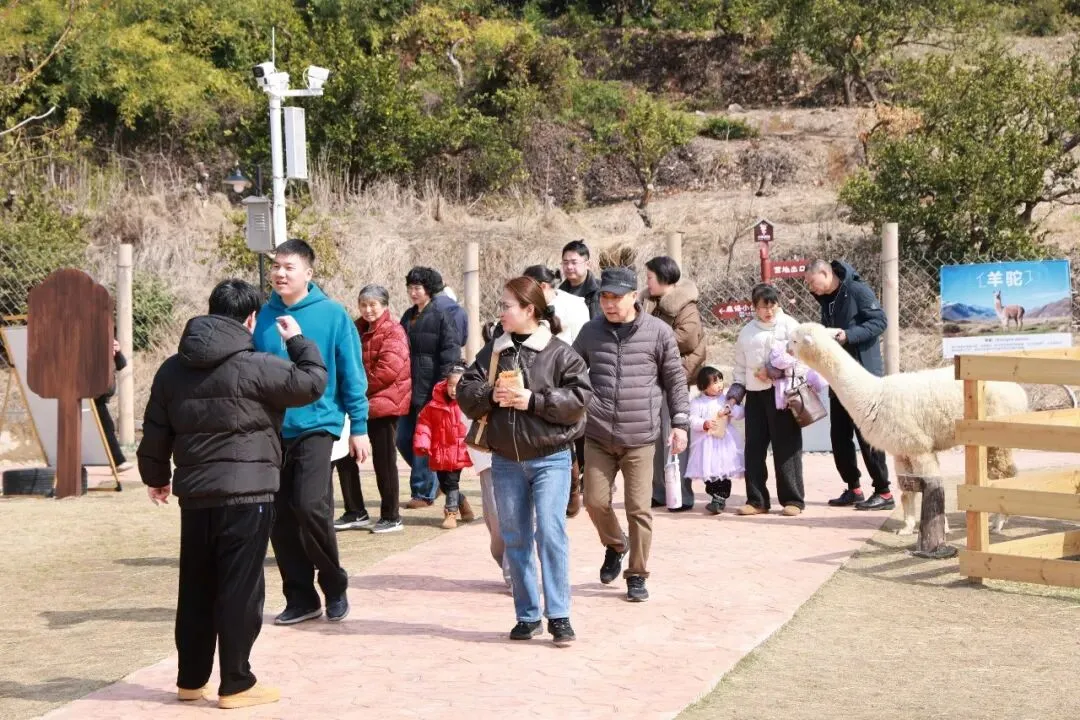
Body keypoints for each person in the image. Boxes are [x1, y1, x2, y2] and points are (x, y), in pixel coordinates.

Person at [137, 279, 328, 710]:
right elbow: (312, 383)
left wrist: (156, 475)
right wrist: (297, 341)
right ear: (251, 319)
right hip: (248, 494)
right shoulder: (257, 365)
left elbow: (155, 429)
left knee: (196, 586)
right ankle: (237, 683)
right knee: (240, 589)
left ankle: (191, 680)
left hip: (196, 495)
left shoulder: (172, 369)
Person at [458, 276, 592, 646]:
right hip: (505, 460)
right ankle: (528, 615)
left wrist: (533, 400)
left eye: (507, 306)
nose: (501, 312)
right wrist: (491, 395)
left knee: (550, 532)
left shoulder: (560, 353)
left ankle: (559, 615)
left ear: (529, 309)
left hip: (551, 458)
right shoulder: (493, 351)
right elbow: (466, 392)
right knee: (514, 537)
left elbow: (580, 400)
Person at [252, 239, 370, 626]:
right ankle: (301, 597)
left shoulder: (333, 315)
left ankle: (334, 584)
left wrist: (359, 427)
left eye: (289, 267)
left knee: (309, 505)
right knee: (279, 515)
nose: (280, 273)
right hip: (271, 429)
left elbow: (352, 372)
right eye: (276, 267)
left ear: (309, 273)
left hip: (319, 424)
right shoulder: (262, 317)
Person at [572, 266, 689, 603]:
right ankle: (616, 544)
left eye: (616, 297)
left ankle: (637, 574)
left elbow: (675, 380)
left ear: (634, 296)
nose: (609, 304)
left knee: (639, 509)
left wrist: (680, 422)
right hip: (598, 434)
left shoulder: (658, 332)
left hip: (640, 437)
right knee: (594, 502)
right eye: (604, 297)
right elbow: (571, 370)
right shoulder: (591, 331)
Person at [804, 259, 893, 511]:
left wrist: (848, 335)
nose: (810, 287)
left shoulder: (856, 290)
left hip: (862, 376)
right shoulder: (826, 299)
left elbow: (879, 321)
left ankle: (884, 491)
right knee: (839, 435)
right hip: (838, 377)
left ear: (825, 272)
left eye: (811, 281)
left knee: (867, 436)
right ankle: (853, 488)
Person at [333, 285, 410, 534]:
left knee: (384, 461)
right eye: (363, 304)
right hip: (356, 403)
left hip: (384, 404)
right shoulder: (354, 328)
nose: (368, 310)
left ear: (384, 305)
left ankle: (391, 515)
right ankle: (355, 510)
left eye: (373, 304)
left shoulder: (394, 331)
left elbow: (388, 370)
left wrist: (354, 387)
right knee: (344, 457)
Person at [726, 284, 805, 517]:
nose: (769, 311)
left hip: (783, 395)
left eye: (772, 306)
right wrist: (734, 397)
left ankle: (793, 500)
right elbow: (740, 368)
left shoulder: (790, 326)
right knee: (754, 448)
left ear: (778, 304)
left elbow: (802, 360)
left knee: (786, 447)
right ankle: (757, 500)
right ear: (754, 307)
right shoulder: (746, 332)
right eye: (763, 307)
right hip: (755, 396)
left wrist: (773, 372)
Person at [523, 263, 590, 518]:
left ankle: (572, 488)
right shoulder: (523, 307)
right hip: (531, 379)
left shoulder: (572, 305)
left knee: (564, 437)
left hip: (563, 378)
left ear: (541, 286)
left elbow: (581, 347)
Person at [643, 255, 706, 512]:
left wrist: (650, 339)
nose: (647, 282)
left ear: (663, 278)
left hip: (675, 377)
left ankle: (681, 494)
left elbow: (687, 338)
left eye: (650, 277)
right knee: (656, 438)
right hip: (651, 377)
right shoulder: (647, 302)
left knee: (675, 435)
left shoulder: (685, 305)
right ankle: (659, 491)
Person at [399, 266, 462, 508]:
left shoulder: (441, 315)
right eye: (410, 288)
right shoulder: (408, 315)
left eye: (417, 288)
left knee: (421, 440)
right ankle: (437, 483)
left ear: (429, 289)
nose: (413, 292)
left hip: (430, 388)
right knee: (402, 439)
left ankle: (423, 492)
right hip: (408, 387)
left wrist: (443, 386)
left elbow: (450, 352)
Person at [414, 363, 475, 529]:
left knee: (451, 482)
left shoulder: (467, 404)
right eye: (450, 385)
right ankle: (463, 502)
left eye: (457, 386)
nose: (453, 390)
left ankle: (451, 512)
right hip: (439, 452)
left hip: (458, 451)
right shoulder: (434, 405)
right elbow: (424, 424)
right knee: (444, 483)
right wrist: (422, 443)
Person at [687, 367, 743, 515]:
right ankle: (715, 497)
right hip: (705, 444)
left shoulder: (726, 399)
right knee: (709, 472)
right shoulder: (697, 402)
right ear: (703, 386)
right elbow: (692, 419)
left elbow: (741, 413)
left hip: (724, 443)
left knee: (722, 471)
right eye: (715, 382)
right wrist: (703, 424)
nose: (720, 385)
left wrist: (731, 410)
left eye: (721, 380)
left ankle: (719, 499)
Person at [522, 265, 590, 344]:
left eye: (528, 289)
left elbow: (582, 341)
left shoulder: (575, 305)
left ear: (543, 286)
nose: (525, 293)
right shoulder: (526, 306)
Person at [94, 338, 133, 471]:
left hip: (100, 394)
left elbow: (121, 364)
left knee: (107, 427)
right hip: (91, 392)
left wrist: (117, 352)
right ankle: (118, 461)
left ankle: (118, 462)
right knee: (107, 427)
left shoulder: (107, 339)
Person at [559, 240, 601, 320]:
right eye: (565, 262)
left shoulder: (601, 290)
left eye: (574, 262)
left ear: (587, 264)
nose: (569, 267)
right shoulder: (559, 293)